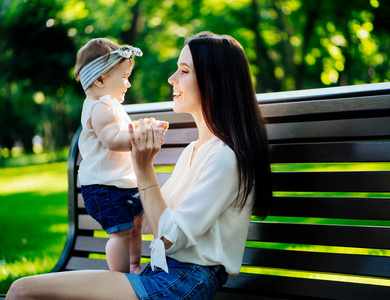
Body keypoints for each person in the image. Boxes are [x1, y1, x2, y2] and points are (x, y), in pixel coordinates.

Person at [6, 31, 273, 300]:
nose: (172, 79)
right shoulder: (196, 150)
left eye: (183, 71)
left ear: (214, 81)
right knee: (22, 291)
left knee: (22, 292)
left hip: (183, 281)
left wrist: (143, 166)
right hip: (163, 274)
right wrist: (115, 193)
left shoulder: (227, 156)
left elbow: (168, 238)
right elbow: (151, 221)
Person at [75, 38, 145, 274]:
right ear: (100, 79)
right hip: (104, 187)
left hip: (120, 182)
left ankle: (134, 266)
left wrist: (139, 129)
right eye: (124, 77)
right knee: (121, 233)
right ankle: (119, 277)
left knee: (135, 225)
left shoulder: (110, 104)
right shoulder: (99, 107)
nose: (129, 83)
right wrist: (139, 137)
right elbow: (112, 139)